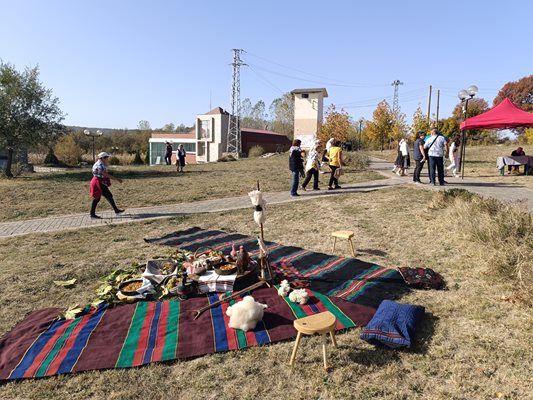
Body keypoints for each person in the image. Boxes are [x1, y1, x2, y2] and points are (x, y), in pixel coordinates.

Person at [89, 152, 124, 219]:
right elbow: (105, 174)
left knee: (103, 197)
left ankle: (116, 210)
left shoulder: (100, 163)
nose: (107, 159)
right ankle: (92, 214)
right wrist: (116, 179)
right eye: (106, 157)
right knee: (99, 197)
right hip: (98, 182)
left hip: (98, 181)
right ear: (103, 158)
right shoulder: (100, 165)